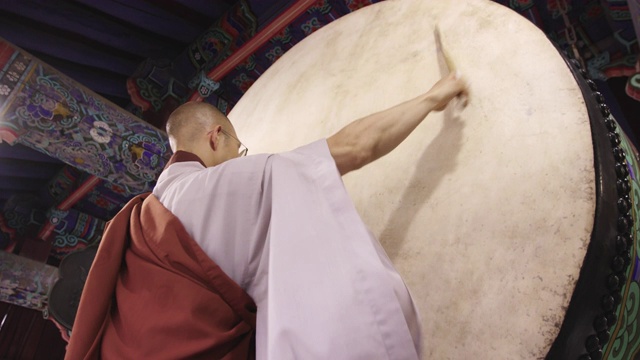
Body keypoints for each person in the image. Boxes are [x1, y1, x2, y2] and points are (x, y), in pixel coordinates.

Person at [65, 72, 468, 360]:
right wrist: (433, 96)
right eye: (238, 148)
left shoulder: (139, 219)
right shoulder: (221, 185)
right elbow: (355, 147)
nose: (242, 158)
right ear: (215, 136)